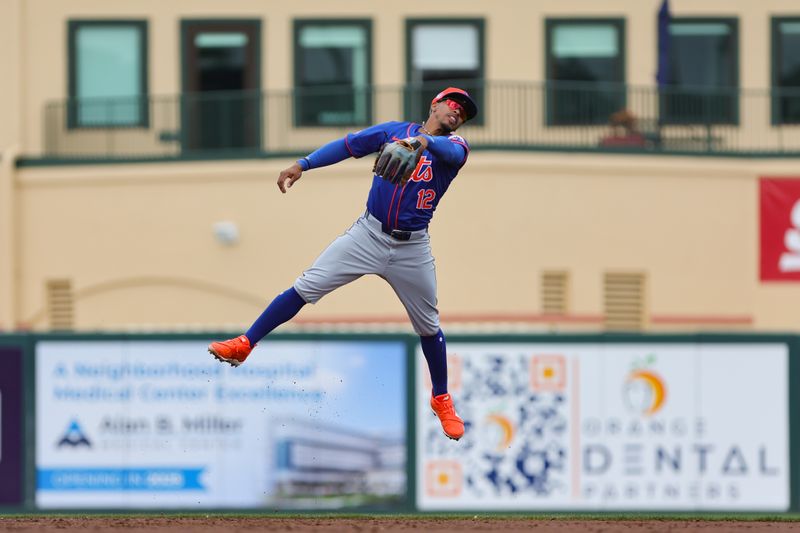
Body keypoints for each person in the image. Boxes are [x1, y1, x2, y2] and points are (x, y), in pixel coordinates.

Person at [208, 87, 478, 441]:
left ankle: (441, 398)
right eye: (452, 104)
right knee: (305, 287)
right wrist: (303, 164)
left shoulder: (456, 147)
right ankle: (246, 343)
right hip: (368, 234)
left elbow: (448, 152)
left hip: (412, 246)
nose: (456, 112)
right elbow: (347, 145)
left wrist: (425, 143)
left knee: (428, 325)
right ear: (434, 104)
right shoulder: (393, 132)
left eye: (463, 112)